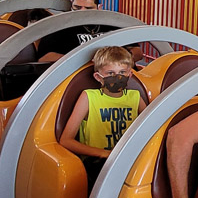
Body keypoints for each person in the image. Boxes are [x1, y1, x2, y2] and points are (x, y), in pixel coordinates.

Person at [58, 45, 140, 189]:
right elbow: (66, 140)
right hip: (96, 162)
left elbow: (149, 129)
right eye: (110, 73)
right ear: (98, 77)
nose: (117, 77)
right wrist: (103, 154)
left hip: (128, 159)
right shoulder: (88, 97)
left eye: (122, 72)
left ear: (130, 75)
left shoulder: (136, 97)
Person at [37, 0, 104, 62]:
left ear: (99, 7)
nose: (81, 12)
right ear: (71, 4)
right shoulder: (59, 27)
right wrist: (76, 60)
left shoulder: (111, 24)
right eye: (77, 7)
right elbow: (43, 58)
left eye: (88, 8)